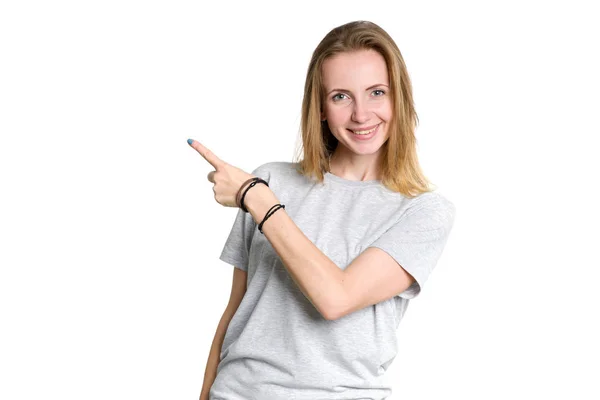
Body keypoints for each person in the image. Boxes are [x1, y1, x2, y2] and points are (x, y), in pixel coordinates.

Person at [190, 20, 456, 400]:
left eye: (377, 92)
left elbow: (336, 298)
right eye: (341, 97)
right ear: (320, 108)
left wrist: (257, 198)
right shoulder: (270, 179)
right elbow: (235, 314)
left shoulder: (424, 212)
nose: (361, 114)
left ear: (399, 98)